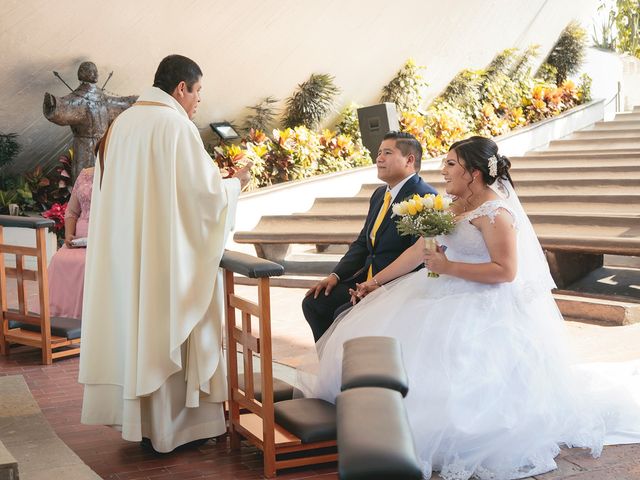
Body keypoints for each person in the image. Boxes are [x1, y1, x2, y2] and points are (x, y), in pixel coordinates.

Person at [307, 136, 640, 479]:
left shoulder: (496, 213)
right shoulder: (455, 205)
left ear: (475, 173)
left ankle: (434, 433)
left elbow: (505, 271)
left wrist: (447, 267)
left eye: (451, 164)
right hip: (439, 291)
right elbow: (418, 252)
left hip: (482, 305)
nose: (444, 170)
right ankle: (376, 422)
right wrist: (376, 282)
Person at [78, 54, 252, 453]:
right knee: (166, 331)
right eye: (197, 92)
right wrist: (235, 184)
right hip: (163, 264)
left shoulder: (121, 125)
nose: (198, 102)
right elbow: (202, 199)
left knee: (139, 333)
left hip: (129, 259)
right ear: (181, 88)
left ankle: (142, 426)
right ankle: (175, 429)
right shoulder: (175, 126)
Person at [302, 131, 437, 341]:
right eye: (379, 153)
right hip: (365, 279)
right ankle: (335, 365)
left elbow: (420, 259)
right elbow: (362, 244)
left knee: (345, 315)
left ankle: (354, 367)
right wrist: (335, 275)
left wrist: (377, 284)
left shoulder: (425, 198)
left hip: (396, 286)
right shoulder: (379, 195)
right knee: (315, 302)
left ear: (409, 160)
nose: (379, 158)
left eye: (387, 153)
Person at [47, 167, 94, 319]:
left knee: (84, 264)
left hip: (103, 241)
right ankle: (55, 317)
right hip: (77, 241)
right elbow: (72, 212)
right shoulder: (85, 173)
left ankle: (81, 319)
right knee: (58, 259)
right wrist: (68, 235)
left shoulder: (122, 173)